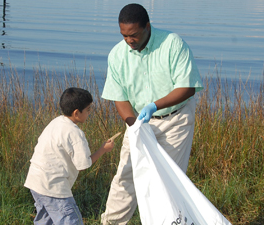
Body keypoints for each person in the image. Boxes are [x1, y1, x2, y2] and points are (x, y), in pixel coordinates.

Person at [100, 3, 204, 224]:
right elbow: (120, 97)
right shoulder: (117, 55)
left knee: (169, 180)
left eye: (134, 35)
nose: (129, 40)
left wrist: (154, 106)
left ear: (147, 26)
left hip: (175, 120)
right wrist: (134, 124)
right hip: (137, 122)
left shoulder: (172, 44)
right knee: (126, 176)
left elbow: (188, 87)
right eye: (124, 35)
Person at [24, 87, 115, 225]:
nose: (89, 113)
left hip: (35, 182)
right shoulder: (75, 133)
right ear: (77, 112)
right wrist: (103, 149)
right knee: (71, 221)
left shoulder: (55, 122)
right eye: (88, 110)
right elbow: (83, 164)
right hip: (54, 187)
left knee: (45, 220)